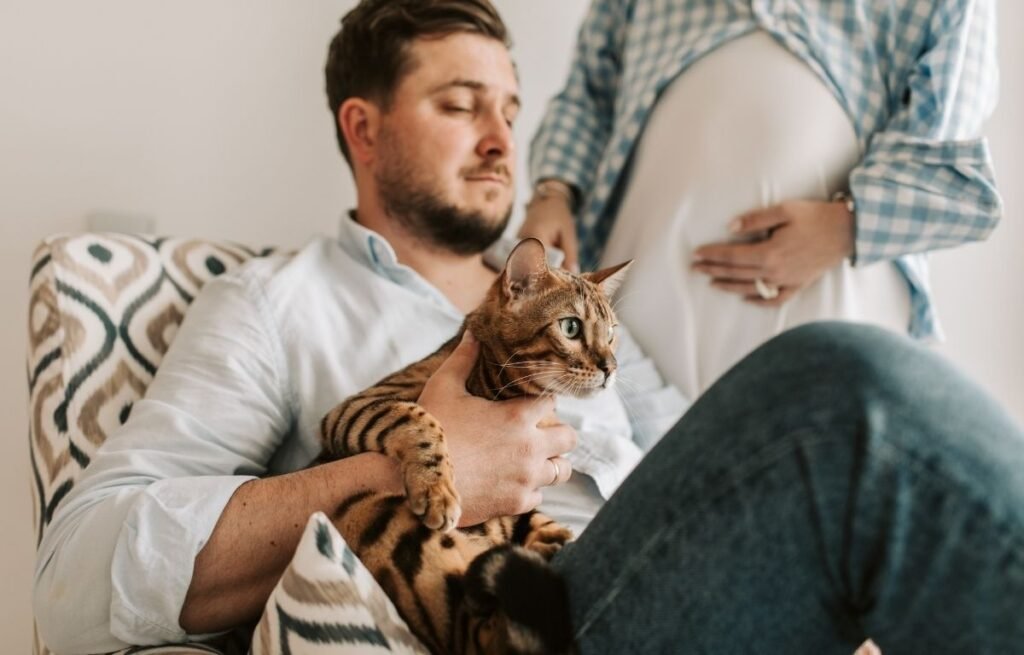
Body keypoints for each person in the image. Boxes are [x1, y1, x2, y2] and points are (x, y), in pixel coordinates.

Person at [33, 1, 1024, 653]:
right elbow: (74, 578)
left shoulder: (584, 317)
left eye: (510, 107)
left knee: (840, 435)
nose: (505, 140)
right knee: (849, 392)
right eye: (461, 106)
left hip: (676, 584)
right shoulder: (273, 301)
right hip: (533, 615)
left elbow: (714, 475)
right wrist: (396, 471)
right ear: (363, 130)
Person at [523, 0, 1002, 401]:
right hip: (634, 324)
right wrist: (554, 190)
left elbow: (947, 160)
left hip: (830, 301)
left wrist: (849, 225)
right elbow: (589, 93)